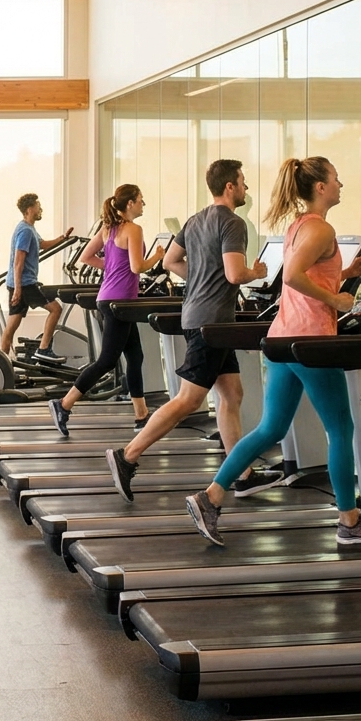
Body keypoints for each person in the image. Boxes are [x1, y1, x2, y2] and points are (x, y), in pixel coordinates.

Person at [186, 156, 361, 545]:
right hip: (311, 343)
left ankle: (210, 497)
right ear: (320, 187)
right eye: (336, 178)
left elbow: (305, 272)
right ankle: (350, 522)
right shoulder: (320, 227)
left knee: (271, 428)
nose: (340, 184)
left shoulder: (300, 226)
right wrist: (339, 299)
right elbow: (294, 277)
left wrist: (347, 274)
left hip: (285, 339)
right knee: (341, 428)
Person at [104, 160, 281, 501]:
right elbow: (234, 274)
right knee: (189, 400)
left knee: (232, 394)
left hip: (206, 319)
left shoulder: (195, 220)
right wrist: (256, 271)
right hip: (212, 323)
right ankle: (127, 456)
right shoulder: (232, 222)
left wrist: (200, 281)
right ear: (229, 186)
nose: (245, 189)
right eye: (242, 182)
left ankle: (241, 473)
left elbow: (170, 261)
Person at [48, 185, 164, 436]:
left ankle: (141, 415)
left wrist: (111, 268)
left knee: (135, 357)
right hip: (119, 303)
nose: (144, 204)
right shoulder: (133, 229)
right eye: (141, 200)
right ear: (130, 204)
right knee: (107, 360)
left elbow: (86, 257)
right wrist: (158, 257)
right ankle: (64, 405)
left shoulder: (109, 229)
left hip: (112, 299)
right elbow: (137, 267)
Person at [0, 192, 74, 361]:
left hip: (21, 283)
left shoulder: (28, 228)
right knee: (56, 309)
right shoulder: (25, 231)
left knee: (12, 325)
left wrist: (63, 238)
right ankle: (44, 349)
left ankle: (1, 362)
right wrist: (18, 289)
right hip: (25, 284)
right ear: (30, 209)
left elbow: (43, 245)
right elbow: (18, 262)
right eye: (38, 206)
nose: (41, 208)